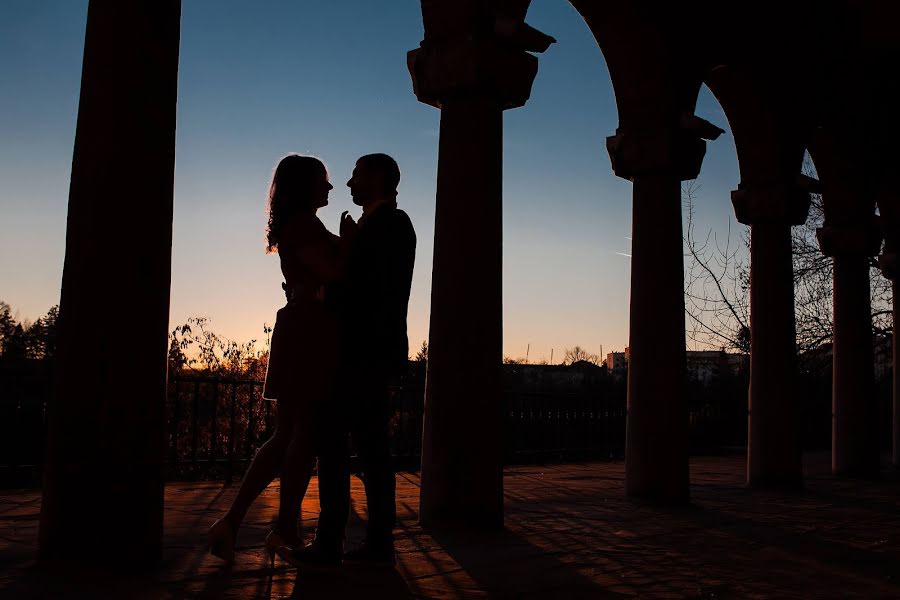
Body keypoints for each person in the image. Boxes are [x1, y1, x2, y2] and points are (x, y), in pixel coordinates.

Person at [207, 154, 345, 565]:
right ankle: (278, 526)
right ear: (306, 185)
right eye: (324, 180)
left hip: (302, 327)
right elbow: (333, 273)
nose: (331, 188)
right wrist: (351, 242)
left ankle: (245, 523)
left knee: (290, 433)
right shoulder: (304, 226)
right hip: (310, 331)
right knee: (303, 433)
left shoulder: (298, 225)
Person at [282, 153, 416, 567]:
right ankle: (367, 544)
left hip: (362, 353)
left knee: (345, 449)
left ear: (377, 177)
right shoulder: (383, 225)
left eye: (356, 174)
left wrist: (318, 295)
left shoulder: (390, 224)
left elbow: (370, 290)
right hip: (367, 353)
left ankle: (337, 543)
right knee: (364, 449)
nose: (348, 183)